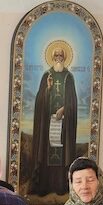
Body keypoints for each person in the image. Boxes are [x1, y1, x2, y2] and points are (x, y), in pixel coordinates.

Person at [30, 45, 78, 196]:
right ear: (52, 57)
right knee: (46, 151)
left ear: (64, 58)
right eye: (56, 55)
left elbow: (73, 102)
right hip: (48, 123)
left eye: (61, 55)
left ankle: (61, 187)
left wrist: (64, 109)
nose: (58, 58)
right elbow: (39, 101)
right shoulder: (47, 75)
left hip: (64, 124)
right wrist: (48, 89)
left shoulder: (69, 77)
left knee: (62, 153)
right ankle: (45, 186)